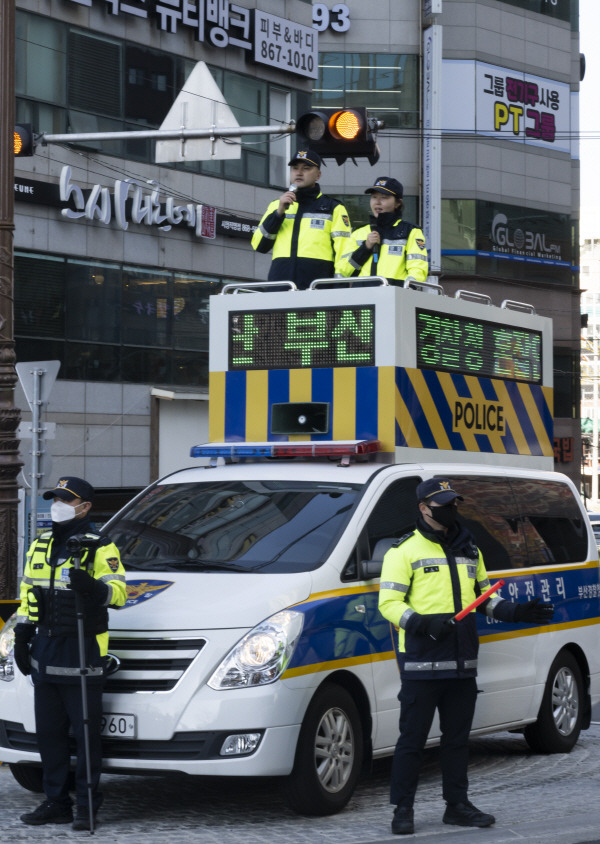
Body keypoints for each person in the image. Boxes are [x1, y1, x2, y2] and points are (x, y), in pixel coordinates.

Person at [378, 478, 554, 836]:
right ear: (424, 509)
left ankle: (457, 806)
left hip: (462, 662)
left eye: (454, 502)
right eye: (444, 503)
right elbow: (389, 605)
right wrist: (423, 624)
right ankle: (403, 808)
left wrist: (517, 611)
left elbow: (484, 598)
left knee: (457, 741)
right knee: (411, 740)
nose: (452, 508)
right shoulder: (402, 552)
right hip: (421, 663)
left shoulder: (470, 549)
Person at [13, 476, 127, 831]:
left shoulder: (100, 546)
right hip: (44, 649)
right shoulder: (40, 545)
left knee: (86, 734)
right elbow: (29, 592)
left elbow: (120, 593)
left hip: (83, 650)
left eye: (65, 500)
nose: (57, 505)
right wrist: (21, 633)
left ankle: (88, 805)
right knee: (49, 733)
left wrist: (94, 587)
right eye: (55, 498)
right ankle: (56, 802)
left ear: (85, 507)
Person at [251, 148, 352, 289]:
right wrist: (278, 214)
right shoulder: (277, 205)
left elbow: (344, 251)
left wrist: (339, 286)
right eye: (294, 168)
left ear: (318, 175)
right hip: (281, 285)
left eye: (306, 168)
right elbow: (259, 245)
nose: (299, 172)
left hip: (318, 287)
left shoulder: (333, 208)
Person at [339, 176, 428, 284]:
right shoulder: (358, 233)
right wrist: (365, 247)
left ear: (397, 203)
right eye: (374, 197)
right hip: (362, 294)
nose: (377, 202)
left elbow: (418, 268)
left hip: (395, 294)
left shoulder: (410, 231)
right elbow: (343, 270)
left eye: (384, 197)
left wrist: (409, 288)